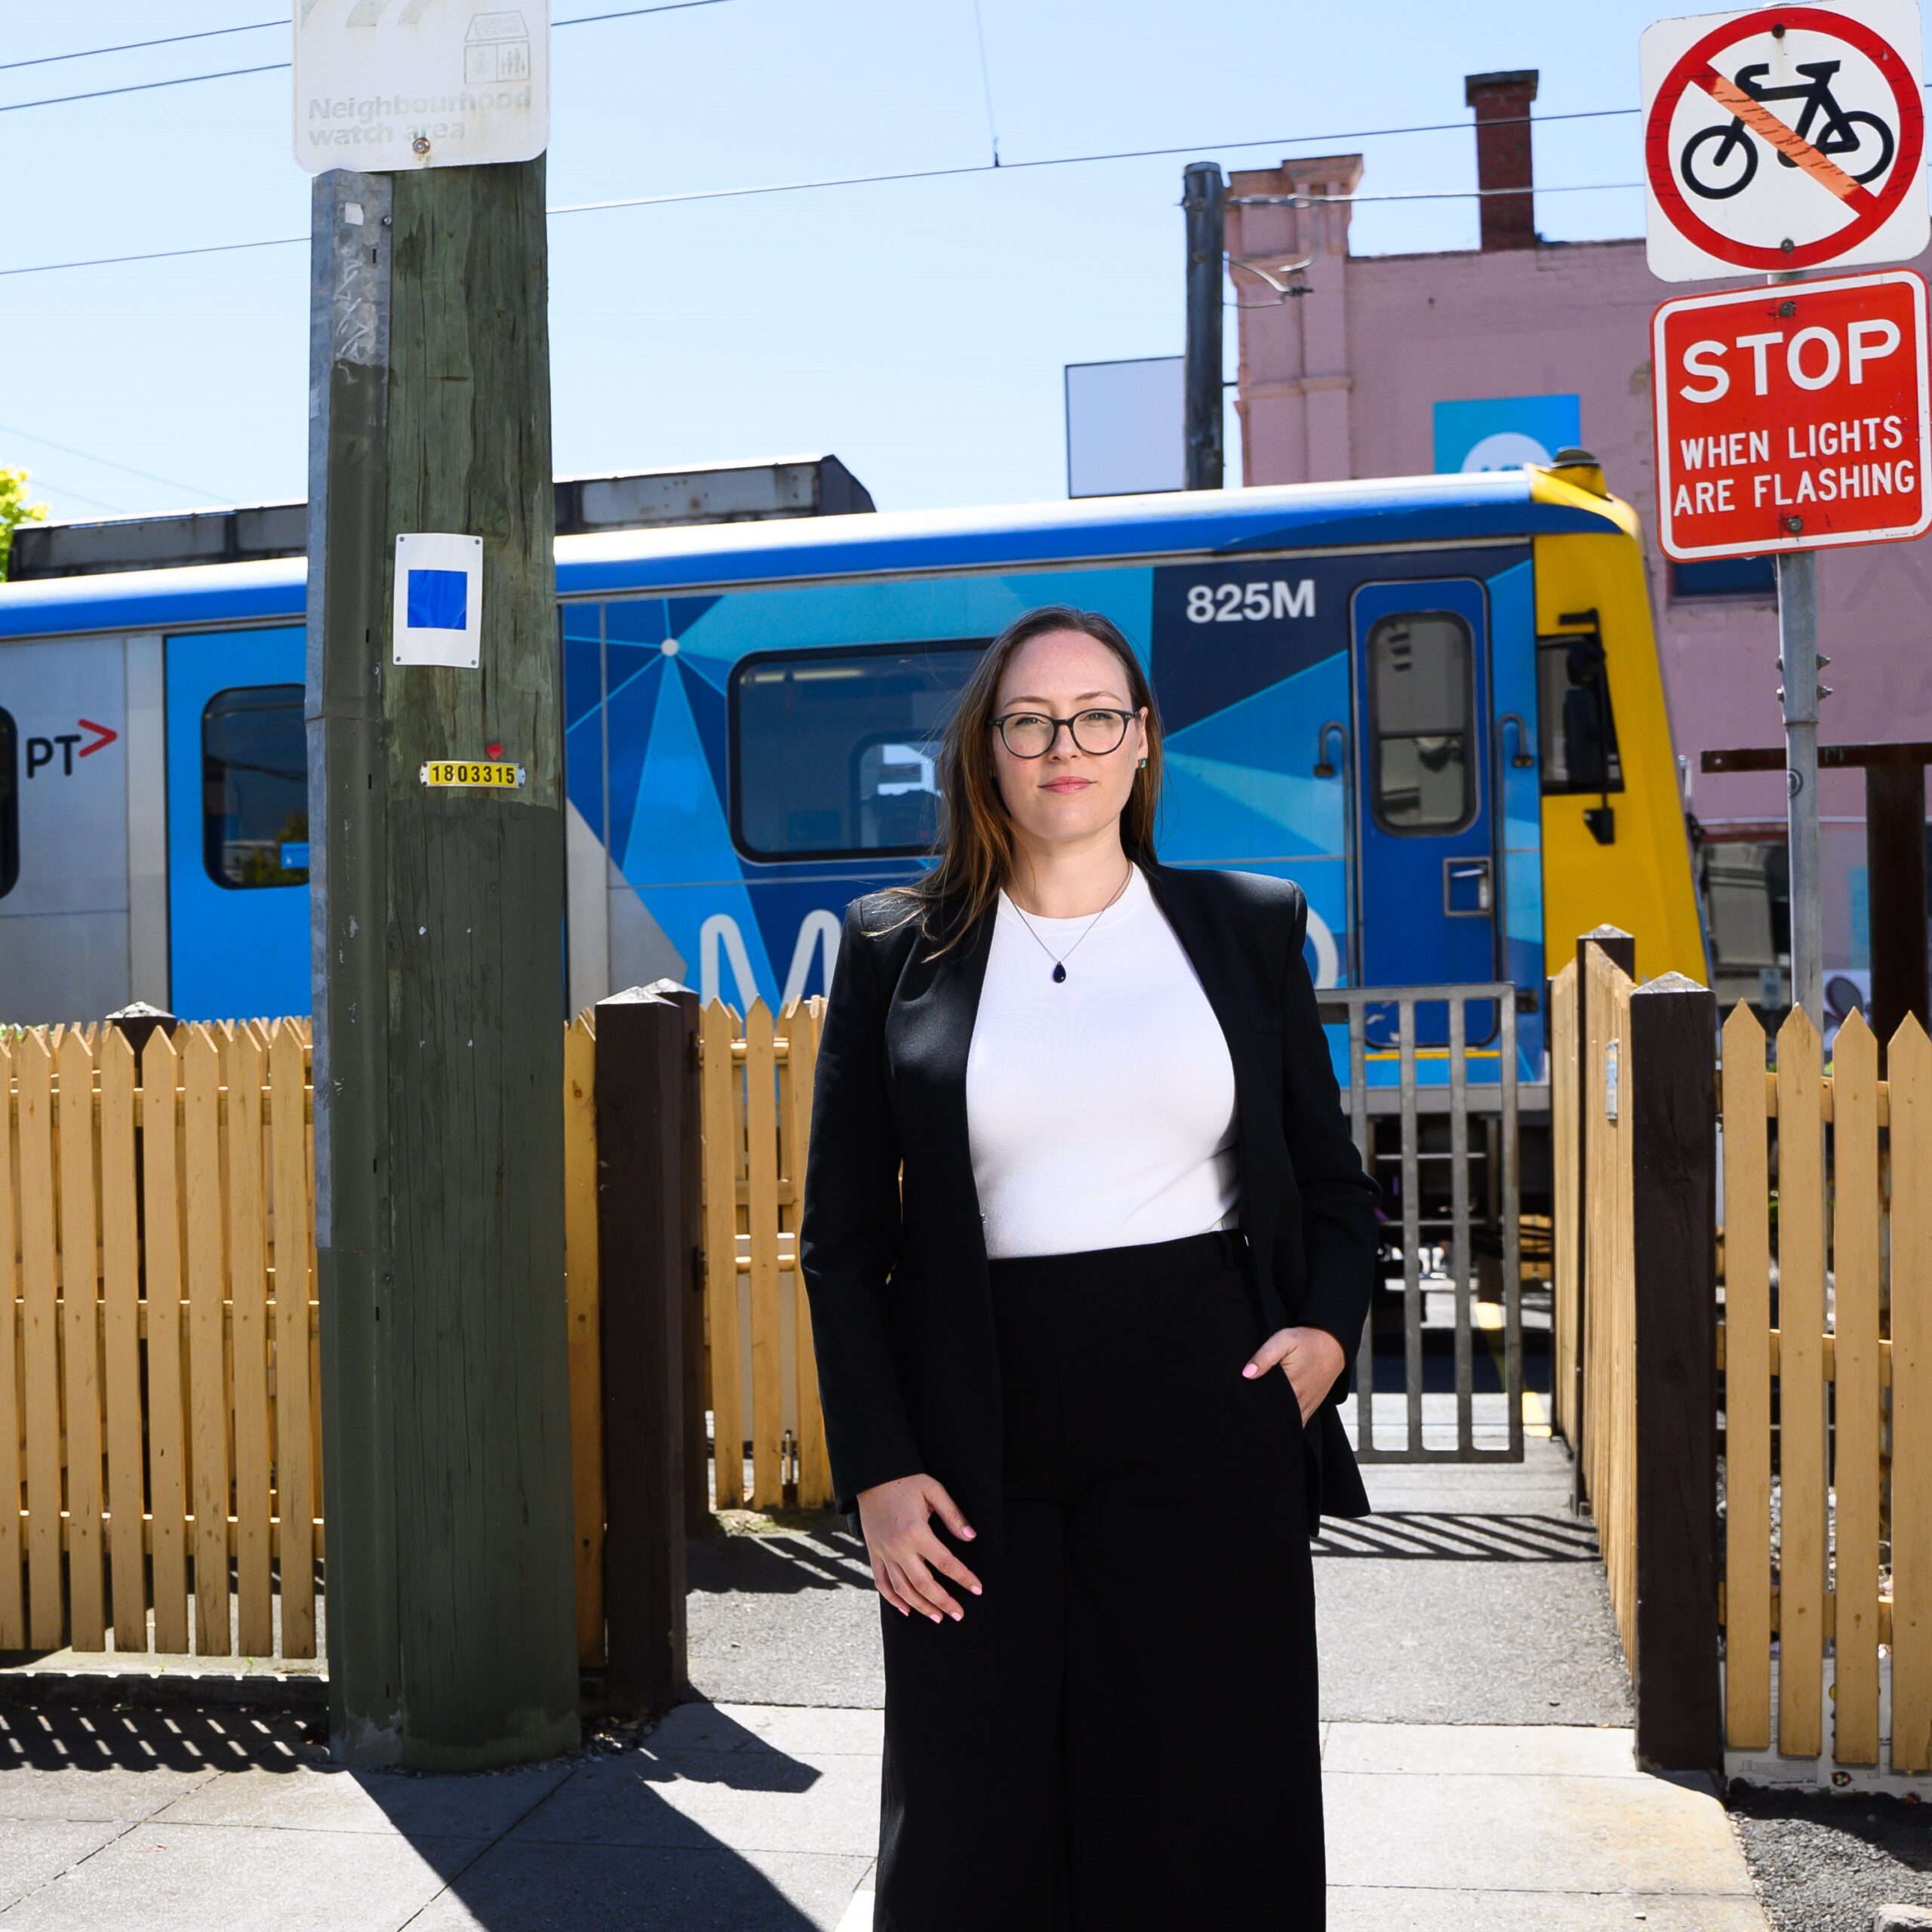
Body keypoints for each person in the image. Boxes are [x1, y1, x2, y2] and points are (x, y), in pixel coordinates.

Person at [799, 604, 1380, 1930]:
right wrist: (881, 1474)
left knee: (1204, 1806)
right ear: (988, 751)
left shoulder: (1244, 927)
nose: (1067, 744)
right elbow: (844, 1246)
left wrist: (1328, 1344)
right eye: (1031, 720)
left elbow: (1336, 1188)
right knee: (971, 1825)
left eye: (1097, 716)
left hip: (1206, 1406)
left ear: (1142, 745)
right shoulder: (897, 949)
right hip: (971, 1437)